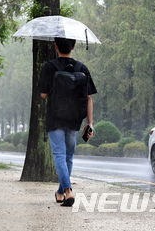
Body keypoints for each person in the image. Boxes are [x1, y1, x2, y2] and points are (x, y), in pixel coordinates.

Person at [38, 38, 97, 206]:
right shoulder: (82, 68)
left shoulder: (49, 67)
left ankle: (68, 191)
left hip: (55, 118)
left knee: (59, 154)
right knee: (68, 156)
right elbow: (89, 98)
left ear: (55, 46)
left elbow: (43, 95)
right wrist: (90, 123)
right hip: (75, 119)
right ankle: (60, 192)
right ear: (73, 46)